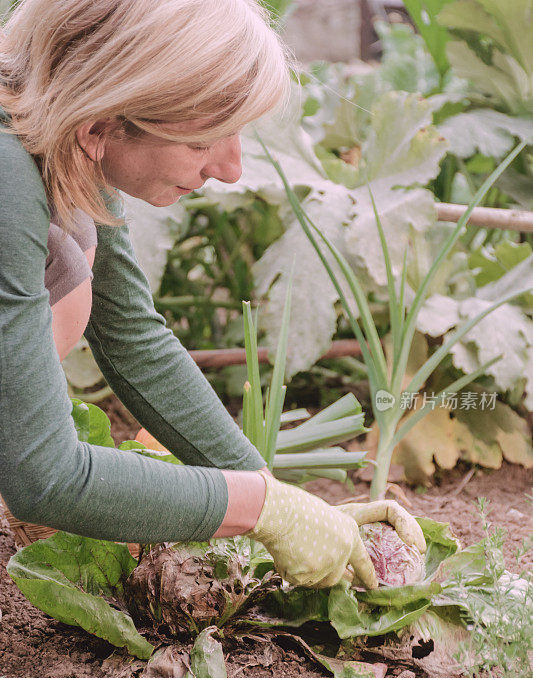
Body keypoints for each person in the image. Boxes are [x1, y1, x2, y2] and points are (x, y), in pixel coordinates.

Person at [0, 0, 425, 592]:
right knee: (65, 271)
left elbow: (133, 339)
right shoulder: (5, 179)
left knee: (76, 250)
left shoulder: (65, 138)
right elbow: (45, 478)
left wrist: (276, 495)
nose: (230, 168)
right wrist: (256, 508)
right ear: (100, 125)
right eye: (204, 142)